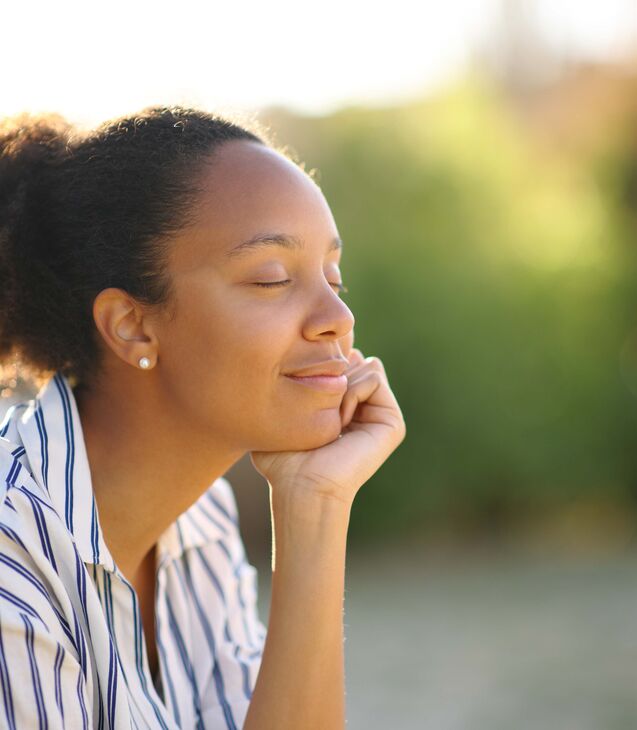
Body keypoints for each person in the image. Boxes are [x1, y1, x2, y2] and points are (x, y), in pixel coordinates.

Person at [0, 106, 406, 729]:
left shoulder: (203, 525)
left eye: (333, 275)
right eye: (273, 278)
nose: (338, 317)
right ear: (132, 326)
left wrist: (315, 504)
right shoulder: (11, 563)